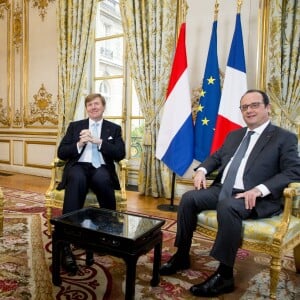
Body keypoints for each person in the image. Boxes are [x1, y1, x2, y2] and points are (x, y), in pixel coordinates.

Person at [159, 89, 300, 297]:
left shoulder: (284, 137)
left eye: (254, 105)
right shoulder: (235, 135)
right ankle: (181, 255)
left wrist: (260, 189)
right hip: (223, 188)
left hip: (254, 197)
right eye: (244, 107)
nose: (249, 110)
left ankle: (224, 275)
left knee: (228, 206)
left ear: (268, 108)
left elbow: (294, 171)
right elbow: (216, 157)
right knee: (189, 198)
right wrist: (201, 170)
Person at [57, 93, 126, 274]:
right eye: (89, 105)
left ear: (103, 107)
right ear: (86, 108)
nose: (93, 107)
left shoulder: (114, 128)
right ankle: (66, 241)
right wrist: (79, 143)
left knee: (103, 179)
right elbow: (62, 153)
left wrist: (99, 141)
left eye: (96, 104)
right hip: (79, 165)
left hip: (100, 167)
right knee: (77, 178)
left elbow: (120, 154)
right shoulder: (75, 126)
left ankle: (107, 233)